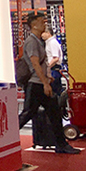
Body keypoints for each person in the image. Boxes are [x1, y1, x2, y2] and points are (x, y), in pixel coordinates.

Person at [18, 13, 78, 154]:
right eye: (41, 21)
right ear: (34, 25)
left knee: (53, 112)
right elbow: (35, 63)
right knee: (28, 113)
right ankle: (6, 138)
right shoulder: (32, 42)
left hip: (40, 82)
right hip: (36, 84)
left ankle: (61, 144)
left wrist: (46, 78)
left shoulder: (38, 41)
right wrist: (45, 82)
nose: (44, 24)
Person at [42, 27, 64, 94]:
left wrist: (48, 67)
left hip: (54, 69)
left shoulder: (52, 43)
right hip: (53, 69)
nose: (41, 35)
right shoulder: (49, 42)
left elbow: (56, 58)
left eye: (43, 33)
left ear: (48, 33)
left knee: (55, 91)